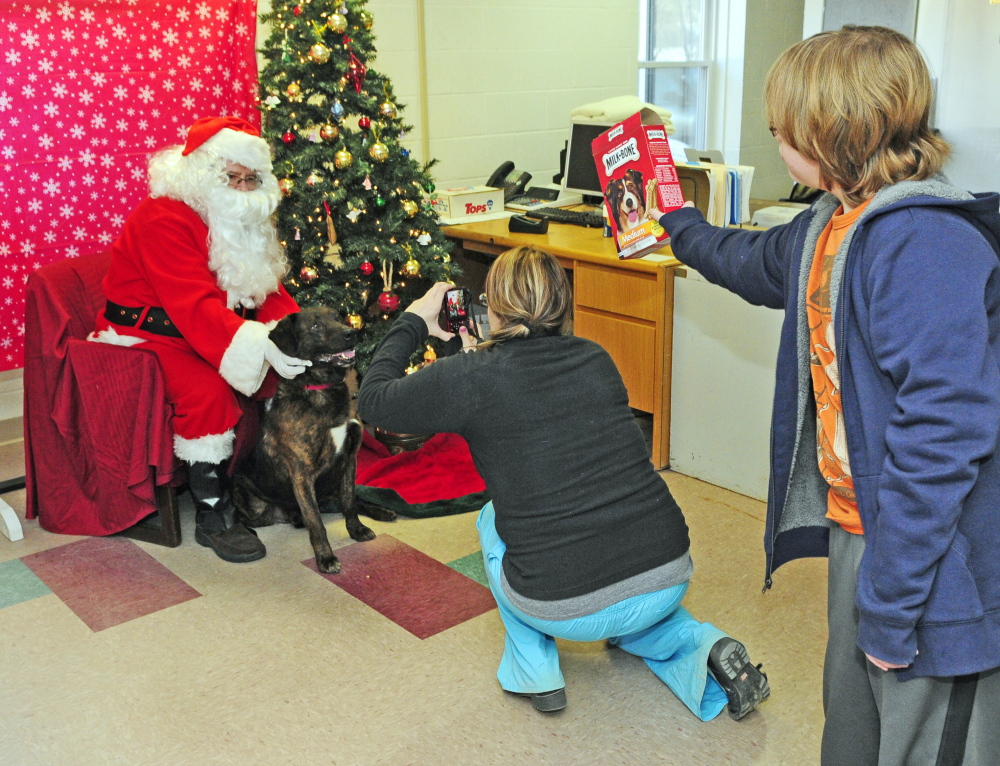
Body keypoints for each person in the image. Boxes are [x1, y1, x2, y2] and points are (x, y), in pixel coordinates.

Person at [648, 26, 1000, 765]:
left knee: (924, 732)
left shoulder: (925, 244)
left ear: (830, 134)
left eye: (782, 128)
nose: (773, 136)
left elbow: (942, 437)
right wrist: (675, 221)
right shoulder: (827, 224)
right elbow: (744, 259)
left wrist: (895, 599)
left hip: (938, 550)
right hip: (862, 525)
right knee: (854, 725)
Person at [357, 246, 770, 719]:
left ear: (492, 306)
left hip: (565, 603)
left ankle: (537, 674)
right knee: (632, 610)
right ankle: (703, 646)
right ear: (563, 304)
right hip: (667, 573)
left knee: (493, 518)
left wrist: (412, 320)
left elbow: (373, 399)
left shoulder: (471, 377)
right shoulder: (596, 358)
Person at [91, 116, 310, 565]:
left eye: (252, 179)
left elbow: (263, 288)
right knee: (207, 393)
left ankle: (270, 482)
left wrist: (298, 333)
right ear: (204, 174)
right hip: (145, 336)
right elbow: (190, 303)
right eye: (233, 178)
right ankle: (214, 514)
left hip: (203, 327)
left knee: (283, 376)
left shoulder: (236, 219)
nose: (244, 189)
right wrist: (259, 345)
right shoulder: (162, 218)